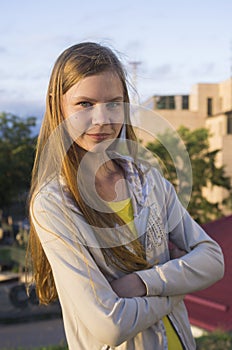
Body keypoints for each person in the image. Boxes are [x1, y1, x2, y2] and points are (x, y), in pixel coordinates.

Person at [27, 42, 224, 350]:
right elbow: (109, 325)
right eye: (85, 104)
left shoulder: (150, 180)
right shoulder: (53, 205)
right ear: (58, 106)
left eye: (114, 103)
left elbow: (212, 259)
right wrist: (176, 287)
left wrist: (145, 283)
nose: (102, 119)